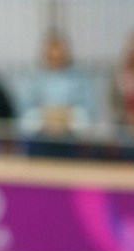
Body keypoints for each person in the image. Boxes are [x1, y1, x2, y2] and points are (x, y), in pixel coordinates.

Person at [19, 29, 95, 158]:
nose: (56, 56)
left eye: (59, 52)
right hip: (40, 140)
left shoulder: (79, 79)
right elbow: (24, 117)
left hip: (71, 142)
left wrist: (66, 117)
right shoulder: (34, 79)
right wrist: (45, 116)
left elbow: (88, 116)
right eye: (51, 53)